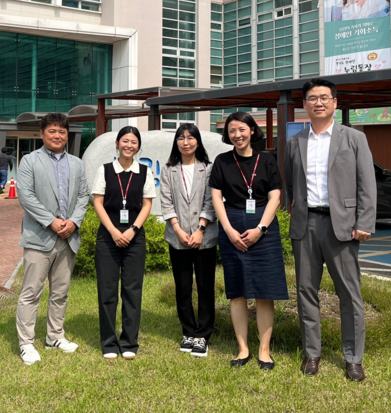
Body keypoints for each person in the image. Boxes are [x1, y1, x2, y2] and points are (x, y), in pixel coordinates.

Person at [284, 78, 377, 382]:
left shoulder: (354, 138)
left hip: (343, 226)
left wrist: (364, 222)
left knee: (349, 293)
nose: (318, 102)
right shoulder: (295, 142)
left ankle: (353, 358)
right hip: (306, 225)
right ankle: (312, 353)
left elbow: (367, 184)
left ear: (335, 102)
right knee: (305, 291)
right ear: (304, 105)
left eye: (324, 97)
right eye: (312, 98)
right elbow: (290, 184)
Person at [210, 112, 287, 371]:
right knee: (237, 291)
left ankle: (265, 351)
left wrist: (261, 229)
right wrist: (228, 230)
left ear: (252, 130)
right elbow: (216, 197)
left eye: (242, 129)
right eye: (232, 131)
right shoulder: (222, 161)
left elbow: (275, 196)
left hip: (264, 227)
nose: (237, 135)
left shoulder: (267, 160)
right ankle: (243, 349)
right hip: (232, 225)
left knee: (265, 292)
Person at [15, 113, 90, 366]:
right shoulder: (29, 161)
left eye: (62, 131)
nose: (57, 136)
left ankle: (55, 336)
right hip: (39, 237)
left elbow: (83, 196)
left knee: (60, 292)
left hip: (68, 237)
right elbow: (26, 196)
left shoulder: (77, 163)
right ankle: (26, 343)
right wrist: (51, 221)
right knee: (31, 292)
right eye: (52, 131)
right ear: (42, 134)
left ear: (67, 135)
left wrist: (74, 221)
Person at [92, 126, 156, 360]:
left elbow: (147, 204)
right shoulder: (105, 170)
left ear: (138, 146)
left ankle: (129, 342)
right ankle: (109, 342)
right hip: (108, 236)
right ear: (117, 143)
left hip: (134, 236)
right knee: (107, 290)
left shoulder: (144, 171)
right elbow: (98, 202)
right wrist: (113, 231)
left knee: (132, 290)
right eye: (125, 141)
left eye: (134, 142)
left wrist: (132, 230)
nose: (129, 145)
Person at [159, 123, 216, 357]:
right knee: (182, 287)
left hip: (205, 237)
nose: (186, 142)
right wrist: (177, 229)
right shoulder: (169, 169)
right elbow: (165, 201)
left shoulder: (208, 168)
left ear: (198, 141)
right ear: (176, 142)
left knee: (205, 287)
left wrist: (201, 229)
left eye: (190, 137)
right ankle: (188, 331)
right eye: (181, 138)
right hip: (178, 238)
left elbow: (211, 200)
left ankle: (203, 335)